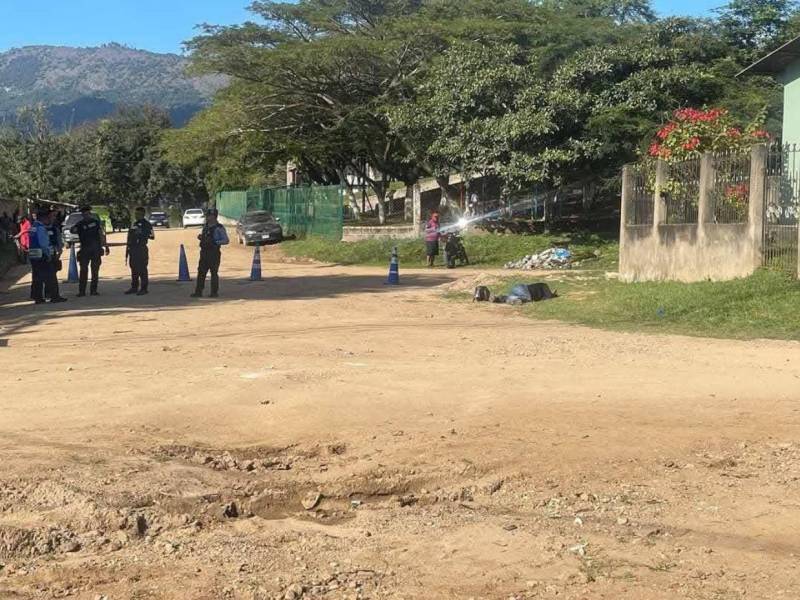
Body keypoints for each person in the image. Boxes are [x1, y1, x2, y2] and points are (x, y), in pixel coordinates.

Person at [28, 208, 67, 304]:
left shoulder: (33, 227)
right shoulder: (41, 228)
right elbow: (44, 244)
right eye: (48, 218)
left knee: (37, 278)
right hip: (42, 255)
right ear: (44, 218)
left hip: (34, 256)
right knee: (51, 277)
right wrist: (49, 255)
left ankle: (38, 298)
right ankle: (55, 297)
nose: (50, 220)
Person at [71, 205, 110, 297]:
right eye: (84, 213)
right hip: (85, 249)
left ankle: (93, 290)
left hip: (94, 249)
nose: (86, 215)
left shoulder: (95, 223)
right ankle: (82, 291)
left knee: (94, 270)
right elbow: (73, 230)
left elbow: (101, 235)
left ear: (89, 213)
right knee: (84, 270)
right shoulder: (80, 224)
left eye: (87, 213)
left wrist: (106, 246)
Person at [191, 208, 229, 298]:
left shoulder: (219, 228)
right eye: (207, 215)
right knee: (201, 272)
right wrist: (201, 238)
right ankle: (198, 291)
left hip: (214, 252)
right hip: (204, 252)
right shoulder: (206, 226)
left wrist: (215, 242)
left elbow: (226, 240)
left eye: (209, 215)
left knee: (214, 273)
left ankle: (214, 292)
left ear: (214, 216)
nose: (207, 217)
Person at [125, 206, 154, 295]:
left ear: (142, 214)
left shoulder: (147, 224)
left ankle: (144, 288)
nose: (136, 215)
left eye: (138, 214)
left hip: (141, 248)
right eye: (135, 214)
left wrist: (141, 233)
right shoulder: (134, 224)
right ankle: (134, 287)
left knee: (142, 269)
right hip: (133, 249)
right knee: (133, 268)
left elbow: (152, 236)